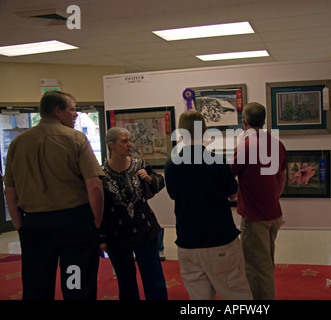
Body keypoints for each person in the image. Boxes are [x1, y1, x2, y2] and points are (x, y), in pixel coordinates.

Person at [3, 90, 104, 300]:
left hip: (35, 225)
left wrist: (20, 224)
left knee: (37, 283)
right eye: (72, 109)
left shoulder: (18, 143)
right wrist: (96, 220)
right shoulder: (76, 138)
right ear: (58, 111)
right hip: (74, 224)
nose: (76, 115)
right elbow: (94, 185)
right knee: (75, 281)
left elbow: (10, 191)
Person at [164, 110, 252, 300]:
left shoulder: (171, 164)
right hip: (219, 239)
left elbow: (173, 195)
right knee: (236, 294)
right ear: (204, 131)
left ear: (180, 132)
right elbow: (233, 193)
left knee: (199, 298)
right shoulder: (217, 160)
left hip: (188, 241)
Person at [99, 127, 167, 300]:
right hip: (117, 235)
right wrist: (102, 238)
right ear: (112, 146)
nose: (130, 145)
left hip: (145, 229)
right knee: (126, 281)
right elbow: (102, 208)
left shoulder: (140, 165)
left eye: (130, 140)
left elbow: (159, 184)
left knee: (154, 279)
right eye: (124, 141)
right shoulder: (102, 174)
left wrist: (150, 178)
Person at [230, 102, 287, 300]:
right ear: (263, 122)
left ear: (244, 122)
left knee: (257, 270)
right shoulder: (277, 144)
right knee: (266, 264)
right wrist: (273, 198)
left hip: (255, 218)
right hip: (274, 214)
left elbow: (228, 177)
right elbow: (282, 177)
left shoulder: (245, 146)